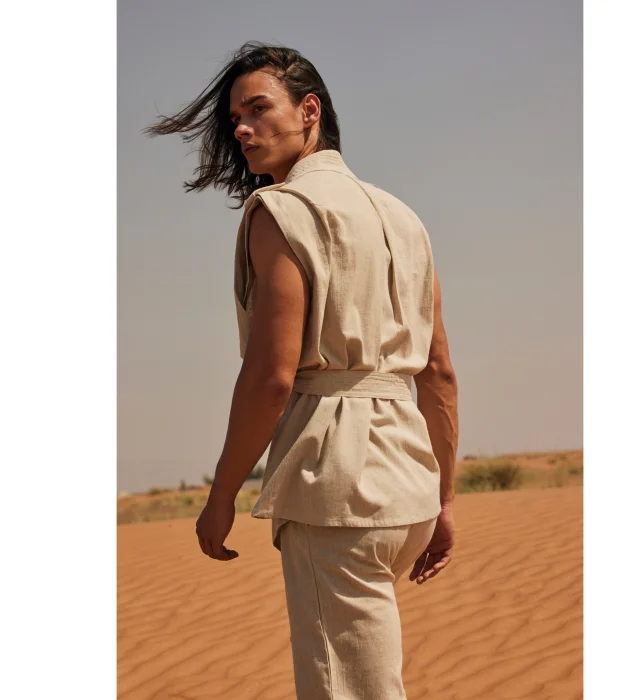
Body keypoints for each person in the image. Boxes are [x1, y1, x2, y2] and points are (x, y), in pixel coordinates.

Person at [146, 40, 459, 700]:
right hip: (410, 485)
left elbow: (271, 376)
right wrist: (445, 500)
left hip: (337, 487)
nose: (242, 128)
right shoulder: (405, 218)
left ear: (309, 111)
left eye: (258, 109)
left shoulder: (283, 211)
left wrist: (221, 496)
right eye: (235, 118)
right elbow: (438, 372)